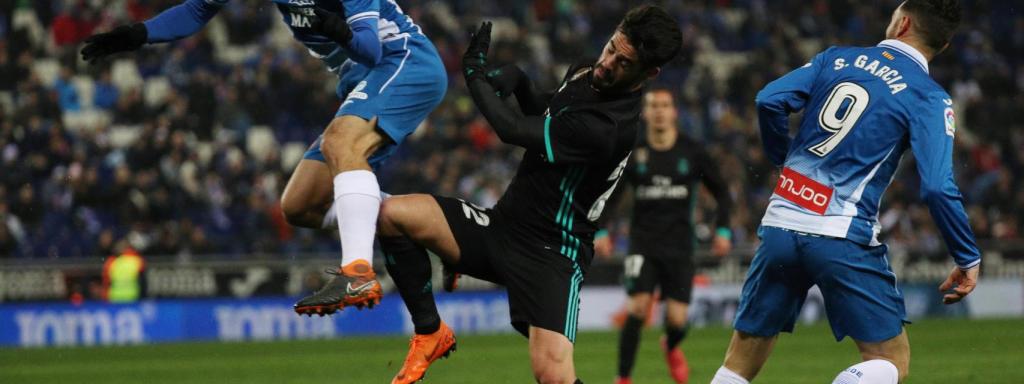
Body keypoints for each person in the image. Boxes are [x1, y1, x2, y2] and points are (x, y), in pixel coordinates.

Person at [374, 6, 682, 383]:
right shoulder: (589, 70)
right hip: (502, 227)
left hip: (552, 255)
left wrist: (474, 75)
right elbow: (550, 113)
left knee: (552, 376)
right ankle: (429, 331)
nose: (607, 62)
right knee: (391, 215)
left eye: (623, 61)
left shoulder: (610, 127)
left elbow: (512, 128)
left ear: (648, 74)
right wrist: (519, 82)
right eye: (611, 47)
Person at [80, 0, 447, 314]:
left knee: (339, 144)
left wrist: (339, 30)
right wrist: (137, 34)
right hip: (365, 80)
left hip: (404, 63)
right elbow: (196, 10)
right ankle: (433, 226)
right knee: (301, 205)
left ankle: (357, 273)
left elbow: (372, 49)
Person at [709, 1, 981, 384]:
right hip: (841, 233)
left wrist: (782, 159)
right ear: (944, 46)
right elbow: (937, 186)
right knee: (890, 361)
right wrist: (967, 255)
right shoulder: (928, 97)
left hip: (780, 225)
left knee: (741, 359)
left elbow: (769, 99)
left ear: (902, 23)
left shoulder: (837, 59)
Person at [593, 88, 733, 384]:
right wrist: (602, 230)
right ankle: (623, 377)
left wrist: (722, 229)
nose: (659, 110)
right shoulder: (635, 153)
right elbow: (611, 196)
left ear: (674, 112)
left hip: (681, 246)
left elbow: (722, 192)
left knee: (676, 320)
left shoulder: (692, 151)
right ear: (645, 113)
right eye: (653, 105)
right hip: (643, 244)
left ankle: (670, 345)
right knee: (638, 308)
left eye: (665, 105)